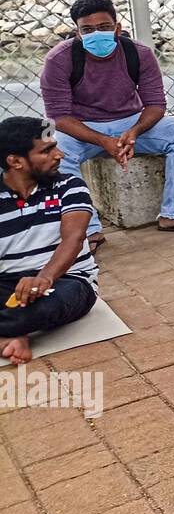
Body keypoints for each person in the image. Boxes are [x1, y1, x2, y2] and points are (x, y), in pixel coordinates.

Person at [39, 0, 174, 250]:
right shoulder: (58, 59)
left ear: (117, 28)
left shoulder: (139, 53)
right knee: (57, 155)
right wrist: (103, 141)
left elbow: (155, 104)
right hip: (82, 126)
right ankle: (90, 230)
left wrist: (134, 131)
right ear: (77, 33)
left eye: (104, 27)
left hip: (131, 120)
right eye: (87, 29)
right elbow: (59, 117)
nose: (96, 34)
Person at [0, 117, 100, 365]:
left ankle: (13, 328)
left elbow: (74, 239)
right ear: (15, 161)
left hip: (65, 280)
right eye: (47, 150)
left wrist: (44, 278)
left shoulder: (69, 186)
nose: (59, 155)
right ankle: (12, 334)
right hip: (7, 283)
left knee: (40, 309)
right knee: (17, 311)